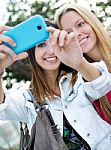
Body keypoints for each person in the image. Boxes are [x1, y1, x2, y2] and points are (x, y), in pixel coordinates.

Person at [0, 20, 111, 150]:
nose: (51, 51)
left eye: (54, 43)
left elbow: (102, 85)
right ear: (32, 53)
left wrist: (79, 62)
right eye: (41, 45)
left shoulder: (77, 79)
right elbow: (3, 107)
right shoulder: (28, 99)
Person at [54, 3, 111, 125]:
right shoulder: (79, 84)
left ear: (92, 22)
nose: (76, 34)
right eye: (68, 32)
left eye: (80, 24)